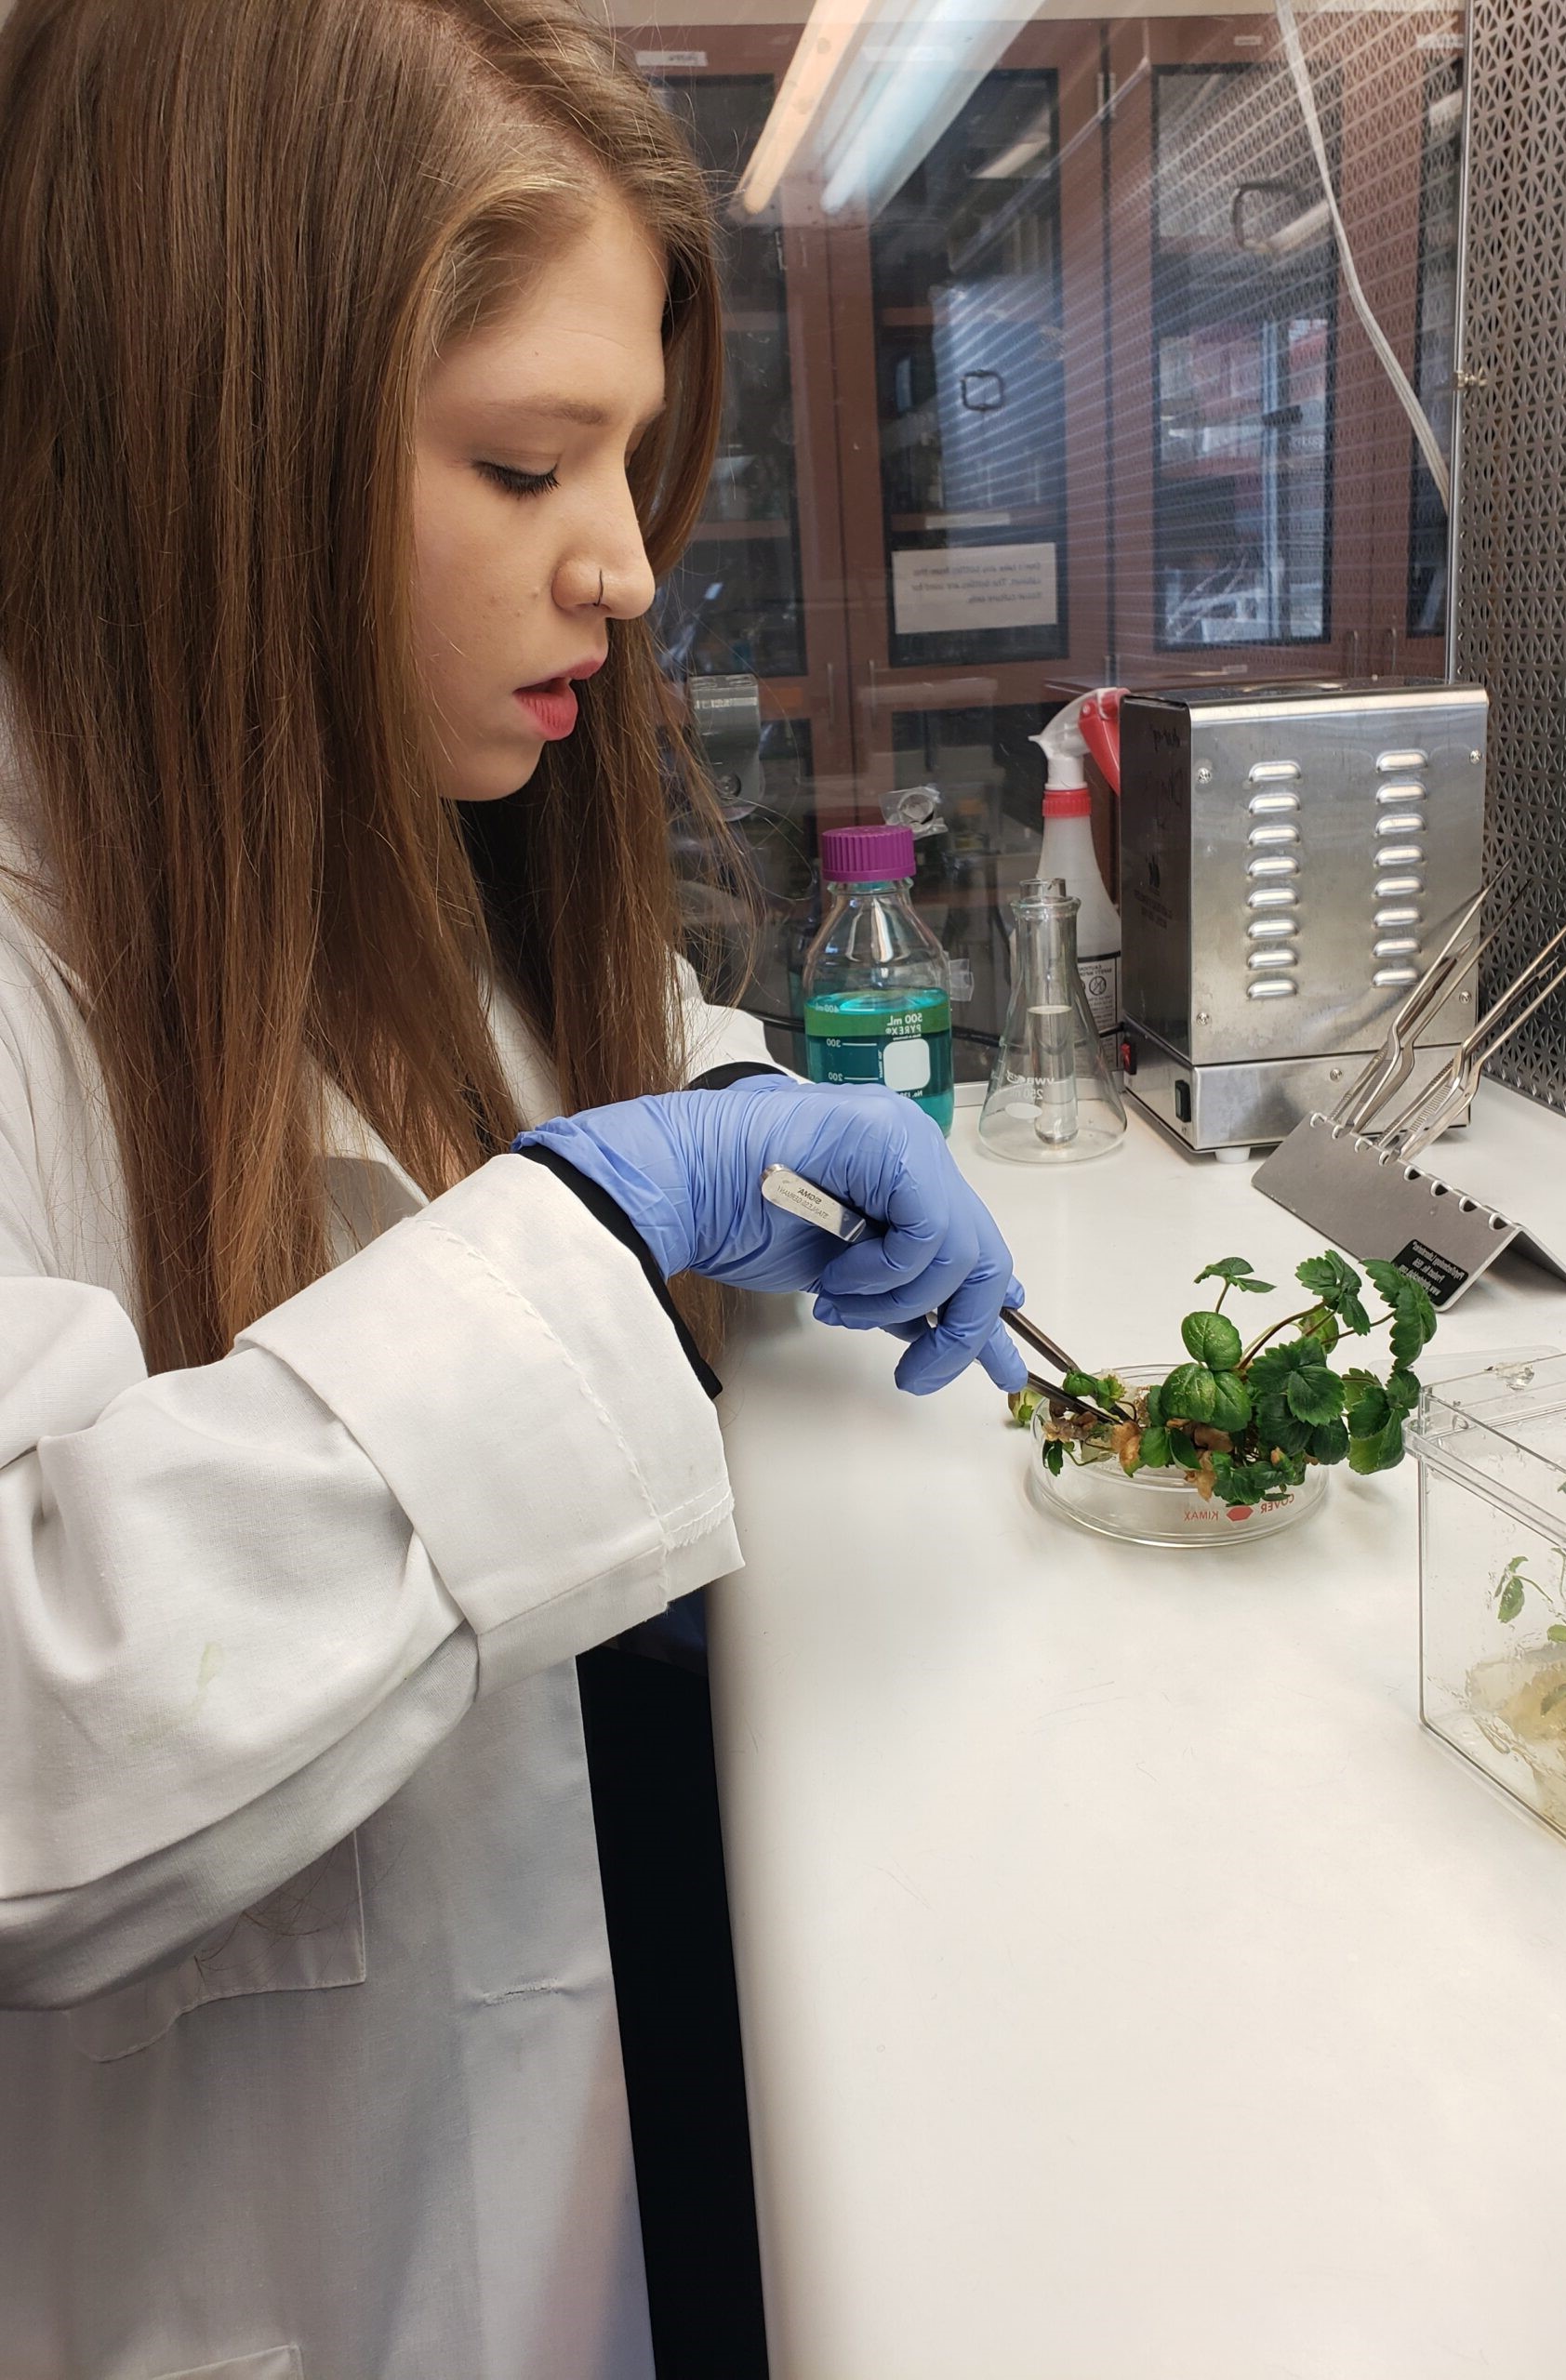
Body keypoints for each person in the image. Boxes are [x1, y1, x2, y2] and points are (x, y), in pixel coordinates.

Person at [0, 3, 1025, 2373]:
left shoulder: (382, 833)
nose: (624, 573)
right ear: (207, 446)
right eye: (522, 461)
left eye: (630, 462)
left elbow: (612, 1064)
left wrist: (754, 1115)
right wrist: (588, 1225)